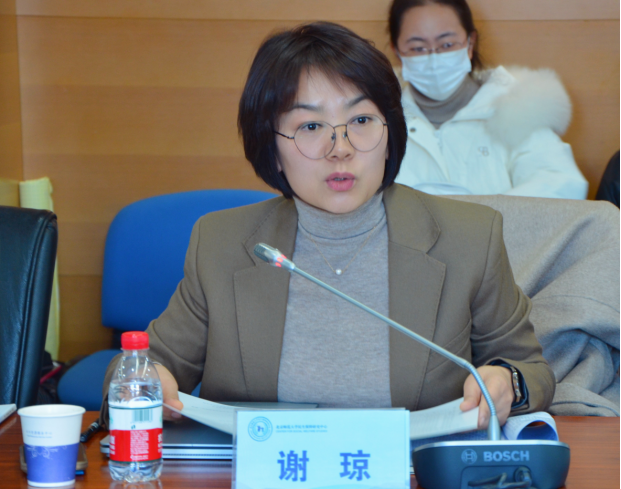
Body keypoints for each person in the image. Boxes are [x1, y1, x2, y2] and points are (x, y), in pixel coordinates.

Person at [100, 22, 554, 430]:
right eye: (311, 126)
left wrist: (506, 383)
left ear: (391, 132)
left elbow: (530, 370)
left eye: (361, 120)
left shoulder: (468, 238)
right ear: (272, 148)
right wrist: (145, 385)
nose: (341, 148)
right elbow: (137, 369)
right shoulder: (222, 243)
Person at [389, 0, 589, 199]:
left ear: (470, 44)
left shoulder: (518, 108)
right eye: (417, 48)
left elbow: (560, 184)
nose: (434, 58)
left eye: (447, 44)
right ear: (397, 51)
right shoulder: (382, 120)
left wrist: (484, 216)